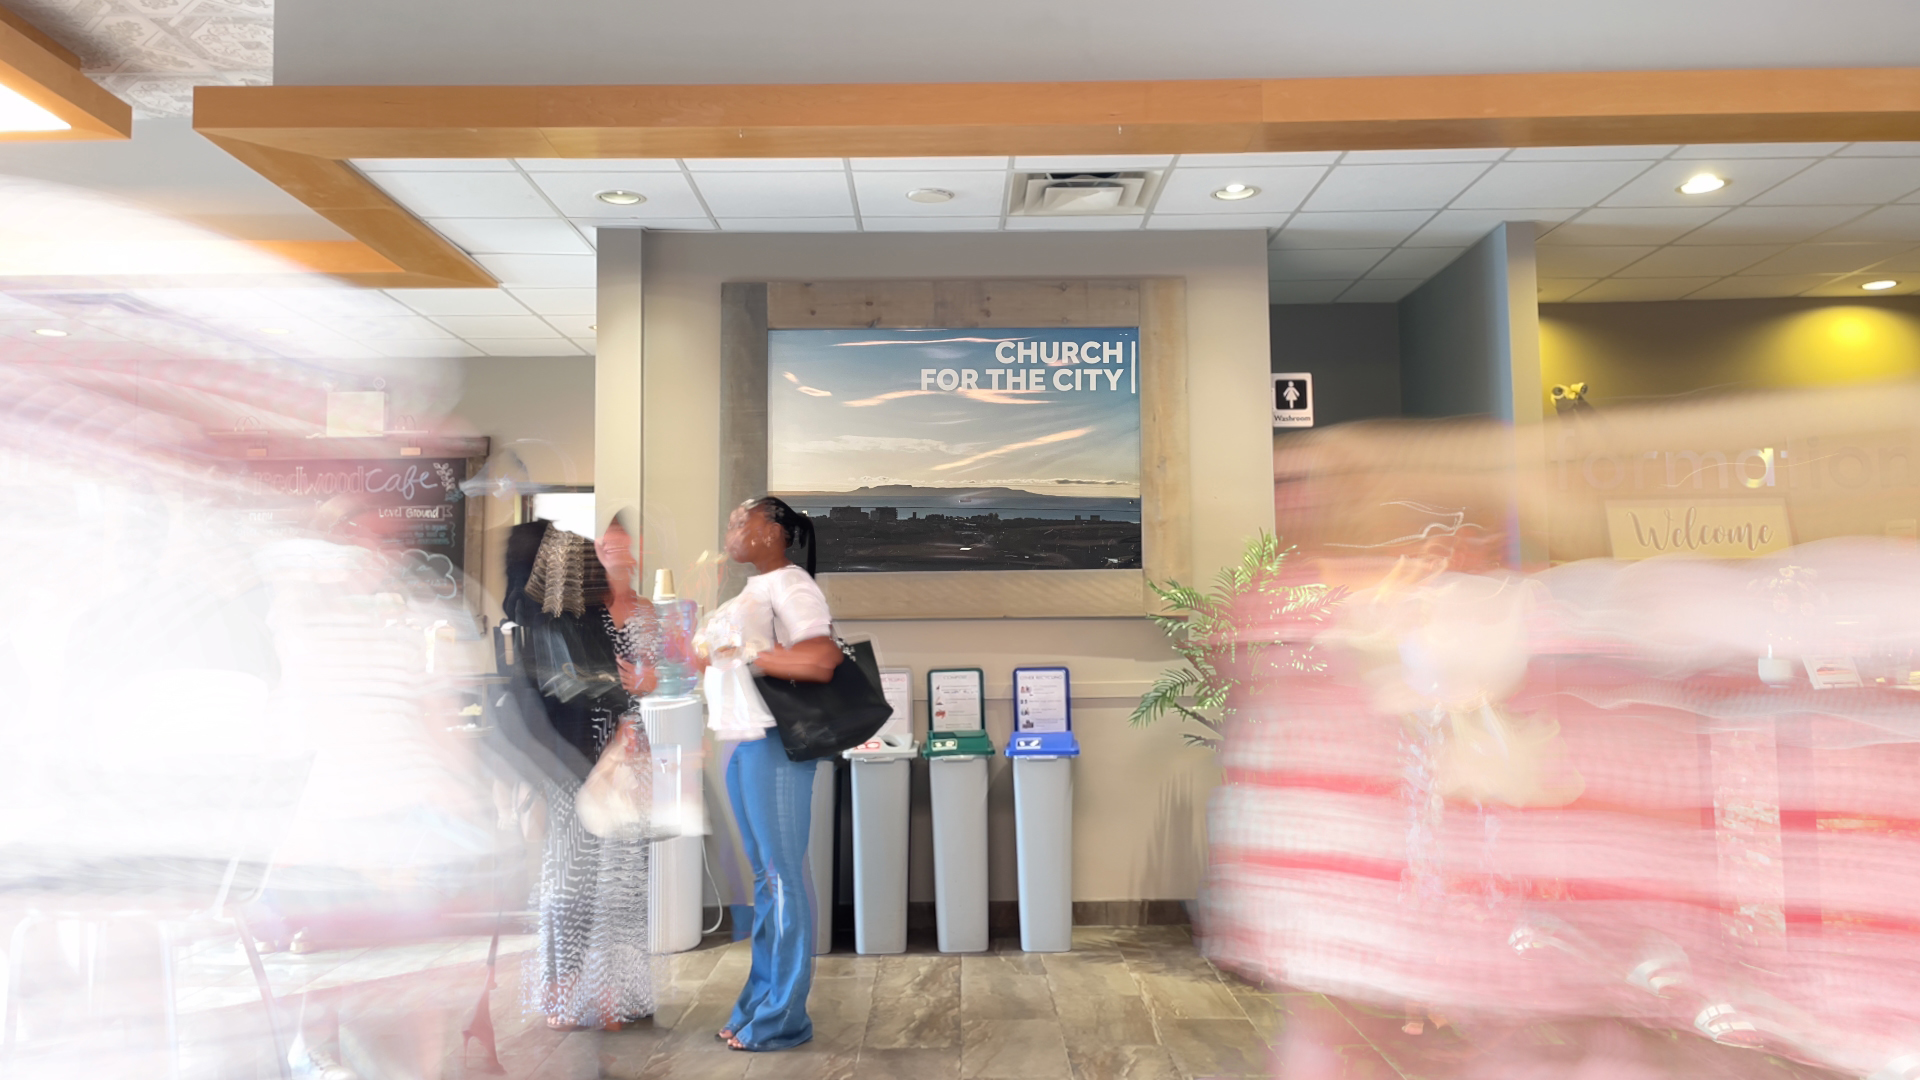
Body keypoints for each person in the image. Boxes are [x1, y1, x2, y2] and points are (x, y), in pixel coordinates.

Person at [510, 513, 658, 1031]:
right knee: (577, 876)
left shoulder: (637, 611)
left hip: (609, 749)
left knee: (611, 877)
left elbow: (655, 679)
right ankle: (571, 995)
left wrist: (644, 685)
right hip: (583, 750)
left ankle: (609, 993)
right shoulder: (560, 613)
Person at [712, 497, 842, 1052]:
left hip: (775, 745)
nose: (733, 527)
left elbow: (821, 659)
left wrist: (750, 653)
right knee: (768, 882)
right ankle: (757, 1005)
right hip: (743, 745)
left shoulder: (791, 584)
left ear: (776, 532)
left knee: (783, 880)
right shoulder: (752, 590)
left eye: (745, 519)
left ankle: (783, 1018)